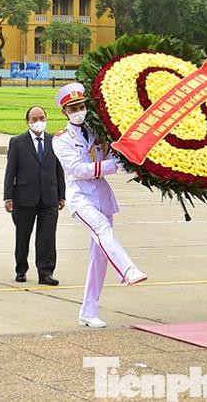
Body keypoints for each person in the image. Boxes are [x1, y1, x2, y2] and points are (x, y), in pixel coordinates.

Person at [52, 83, 146, 327]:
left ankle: (88, 311)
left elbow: (111, 155)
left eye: (81, 106)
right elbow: (78, 169)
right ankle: (127, 270)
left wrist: (122, 159)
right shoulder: (61, 140)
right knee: (102, 229)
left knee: (99, 257)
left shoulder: (97, 132)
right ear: (65, 112)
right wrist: (114, 166)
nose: (79, 111)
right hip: (80, 196)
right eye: (73, 108)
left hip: (102, 195)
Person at [4, 105, 65, 286]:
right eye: (34, 119)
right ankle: (21, 268)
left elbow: (58, 169)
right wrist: (8, 197)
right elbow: (10, 172)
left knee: (47, 237)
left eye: (42, 118)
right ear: (28, 122)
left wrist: (61, 195)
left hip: (49, 197)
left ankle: (46, 272)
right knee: (23, 236)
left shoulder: (54, 141)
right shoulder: (18, 142)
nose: (38, 122)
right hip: (24, 197)